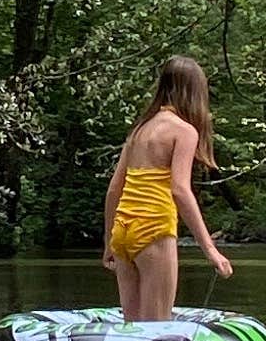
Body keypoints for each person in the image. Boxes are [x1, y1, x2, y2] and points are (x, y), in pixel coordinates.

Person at [100, 58, 233, 322]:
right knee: (156, 329)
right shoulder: (184, 131)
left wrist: (108, 241)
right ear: (194, 91)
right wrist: (210, 249)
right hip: (154, 229)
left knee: (133, 327)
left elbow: (114, 189)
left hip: (122, 232)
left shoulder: (139, 130)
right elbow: (180, 190)